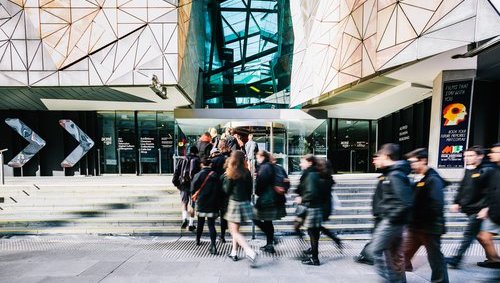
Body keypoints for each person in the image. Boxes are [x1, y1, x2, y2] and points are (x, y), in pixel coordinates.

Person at [367, 143, 412, 283]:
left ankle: (389, 279)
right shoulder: (391, 173)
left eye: (378, 156)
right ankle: (397, 280)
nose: (376, 160)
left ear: (386, 156)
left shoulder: (395, 175)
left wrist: (390, 218)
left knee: (374, 251)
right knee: (393, 254)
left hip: (391, 221)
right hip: (391, 220)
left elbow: (405, 202)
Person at [403, 148, 449, 283]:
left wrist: (418, 216)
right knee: (403, 253)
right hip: (416, 227)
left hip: (429, 227)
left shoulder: (433, 180)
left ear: (423, 160)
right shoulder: (422, 178)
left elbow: (436, 205)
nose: (411, 165)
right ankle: (398, 277)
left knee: (435, 258)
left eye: (413, 162)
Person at [446, 145, 495, 269]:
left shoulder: (488, 170)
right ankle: (494, 259)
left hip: (479, 210)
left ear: (480, 156)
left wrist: (486, 207)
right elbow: (463, 186)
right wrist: (456, 201)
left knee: (469, 234)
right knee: (479, 236)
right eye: (465, 156)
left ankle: (456, 259)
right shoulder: (469, 169)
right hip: (469, 208)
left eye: (470, 155)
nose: (466, 158)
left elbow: (492, 191)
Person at [223, 150, 258, 266]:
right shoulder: (247, 172)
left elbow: (227, 190)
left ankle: (249, 251)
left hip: (234, 203)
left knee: (233, 231)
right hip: (245, 202)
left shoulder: (231, 172)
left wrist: (225, 180)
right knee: (236, 231)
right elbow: (250, 189)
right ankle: (234, 252)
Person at [253, 150, 286, 254]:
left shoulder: (265, 167)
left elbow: (261, 183)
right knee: (268, 222)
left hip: (267, 199)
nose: (256, 159)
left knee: (255, 217)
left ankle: (270, 242)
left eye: (257, 157)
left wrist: (257, 191)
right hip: (272, 198)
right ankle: (270, 243)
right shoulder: (270, 166)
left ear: (262, 157)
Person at [354, 163, 384, 266]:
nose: (374, 161)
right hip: (380, 214)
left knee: (377, 238)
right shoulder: (385, 177)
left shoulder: (392, 177)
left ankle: (368, 257)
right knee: (376, 238)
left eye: (377, 158)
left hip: (383, 216)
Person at [296, 154, 323, 266]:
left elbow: (311, 192)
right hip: (315, 206)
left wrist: (302, 198)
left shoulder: (311, 174)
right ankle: (313, 254)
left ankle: (315, 259)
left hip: (312, 207)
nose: (300, 164)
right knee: (313, 233)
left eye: (303, 161)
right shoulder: (312, 173)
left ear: (310, 162)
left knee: (313, 233)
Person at [476, 143, 500, 268]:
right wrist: (486, 207)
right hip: (494, 210)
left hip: (497, 211)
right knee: (482, 236)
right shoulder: (494, 170)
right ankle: (494, 260)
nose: (490, 154)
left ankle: (495, 261)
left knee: (484, 236)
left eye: (495, 152)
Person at [191, 157, 220, 254]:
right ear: (210, 164)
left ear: (201, 164)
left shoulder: (197, 175)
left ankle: (198, 240)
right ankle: (213, 245)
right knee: (211, 225)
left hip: (201, 203)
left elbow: (192, 190)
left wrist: (192, 204)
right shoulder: (216, 175)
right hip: (213, 203)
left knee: (200, 223)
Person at [172, 146, 200, 231]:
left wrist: (176, 184)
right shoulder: (197, 160)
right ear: (196, 152)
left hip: (183, 185)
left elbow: (176, 172)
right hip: (194, 185)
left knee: (184, 203)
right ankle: (191, 224)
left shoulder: (182, 160)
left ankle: (184, 219)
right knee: (192, 205)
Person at [211, 141, 230, 243]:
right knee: (223, 214)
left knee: (214, 213)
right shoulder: (226, 160)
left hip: (215, 190)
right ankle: (222, 235)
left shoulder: (213, 161)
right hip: (224, 189)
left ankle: (215, 235)